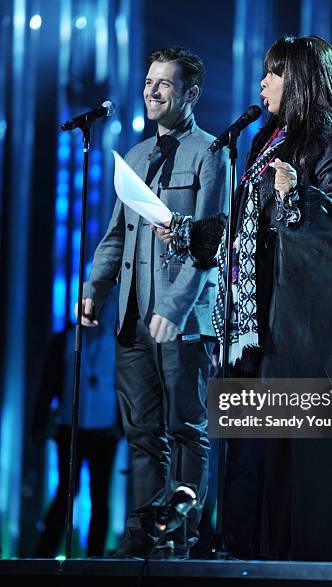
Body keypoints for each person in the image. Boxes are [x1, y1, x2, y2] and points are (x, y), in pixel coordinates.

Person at [155, 35, 332, 561]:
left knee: (302, 476)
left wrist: (296, 194)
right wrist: (188, 231)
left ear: (300, 80)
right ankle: (248, 567)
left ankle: (308, 584)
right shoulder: (266, 140)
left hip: (303, 332)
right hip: (257, 331)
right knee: (254, 469)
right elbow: (246, 229)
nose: (263, 83)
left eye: (275, 73)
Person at [79, 47, 229, 558]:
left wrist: (177, 306)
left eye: (164, 83)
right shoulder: (138, 156)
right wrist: (94, 287)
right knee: (143, 435)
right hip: (131, 317)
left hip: (179, 321)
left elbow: (211, 242)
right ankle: (143, 540)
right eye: (149, 81)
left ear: (191, 93)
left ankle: (181, 539)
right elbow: (115, 234)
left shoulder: (212, 154)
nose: (152, 90)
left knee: (185, 428)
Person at [32, 302, 120, 558]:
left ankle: (95, 558)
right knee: (65, 494)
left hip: (105, 432)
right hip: (71, 429)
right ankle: (44, 555)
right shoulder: (64, 340)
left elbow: (124, 389)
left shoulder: (115, 343)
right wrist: (38, 425)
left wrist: (122, 428)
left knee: (100, 497)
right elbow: (47, 385)